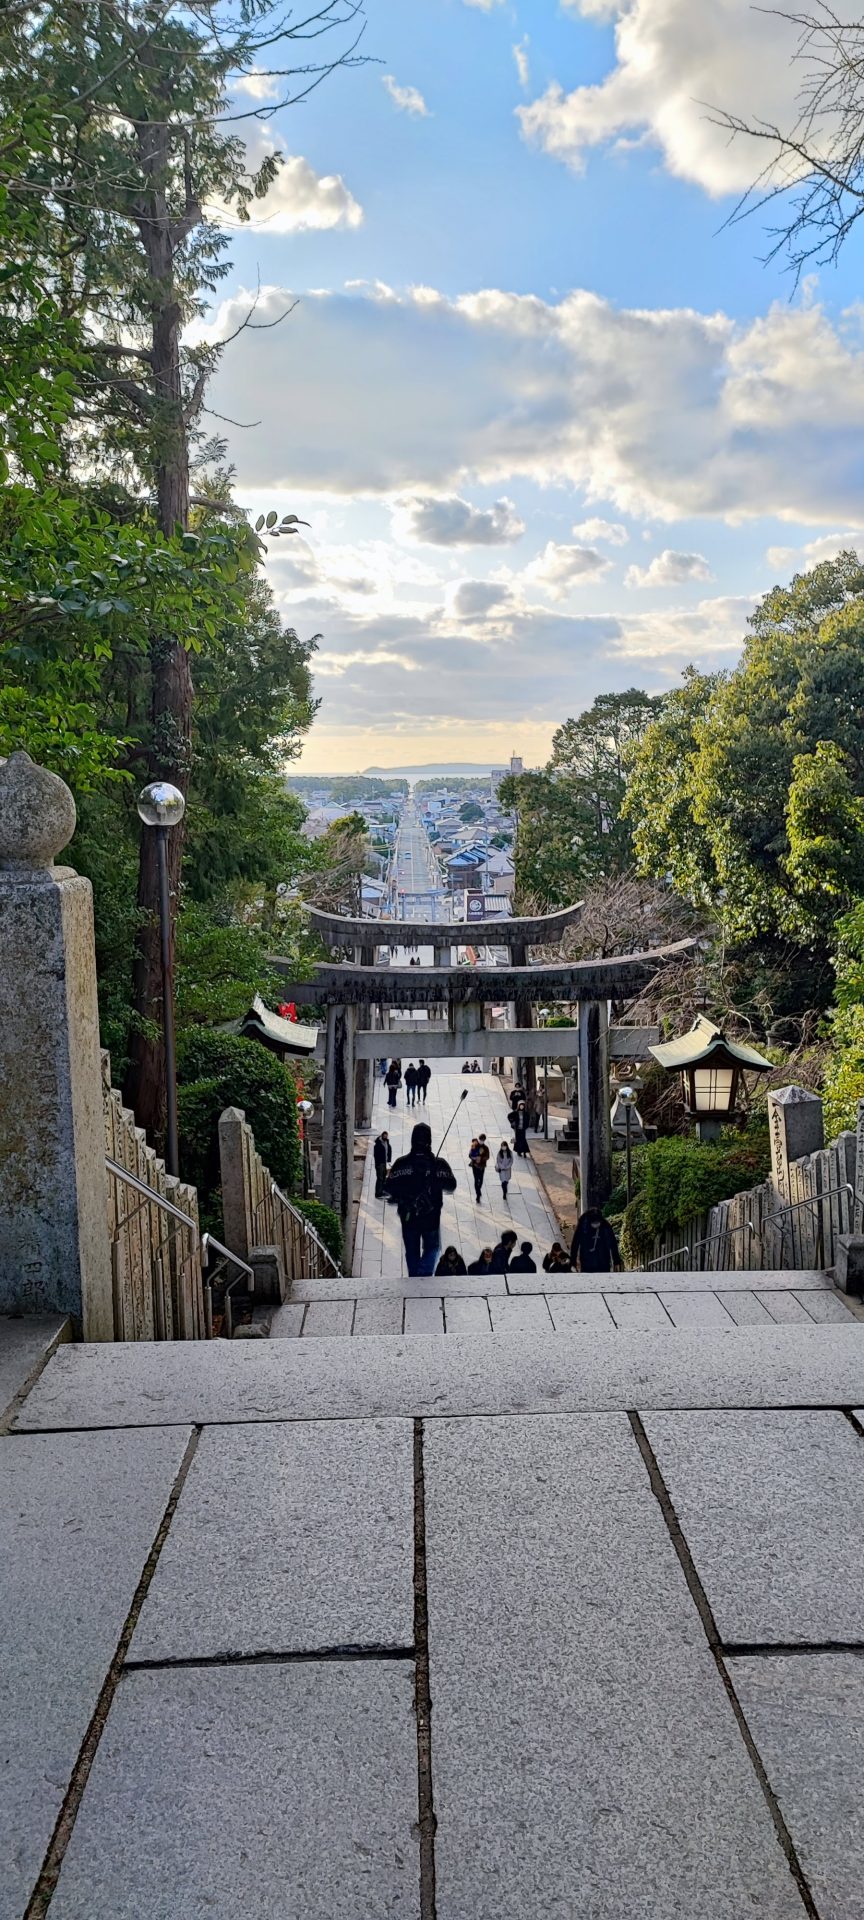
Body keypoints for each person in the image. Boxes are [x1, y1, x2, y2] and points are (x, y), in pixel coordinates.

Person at [386, 1122, 457, 1277]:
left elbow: (388, 1188)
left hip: (408, 1217)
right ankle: (423, 1274)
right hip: (431, 1218)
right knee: (433, 1248)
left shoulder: (401, 1164)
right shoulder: (439, 1165)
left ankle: (414, 1275)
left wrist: (401, 1195)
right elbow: (452, 1186)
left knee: (411, 1250)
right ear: (430, 1141)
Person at [571, 1206, 623, 1274]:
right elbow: (575, 1244)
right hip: (587, 1263)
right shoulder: (582, 1226)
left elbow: (613, 1244)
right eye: (594, 1222)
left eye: (597, 1222)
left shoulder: (605, 1225)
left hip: (603, 1262)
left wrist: (616, 1261)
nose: (596, 1224)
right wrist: (573, 1263)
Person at [469, 1134, 490, 1201]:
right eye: (480, 1139)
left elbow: (487, 1156)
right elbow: (470, 1154)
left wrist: (481, 1158)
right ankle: (478, 1194)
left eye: (482, 1140)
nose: (481, 1141)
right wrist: (474, 1158)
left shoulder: (486, 1148)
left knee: (480, 1180)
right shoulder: (474, 1145)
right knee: (476, 1179)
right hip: (475, 1165)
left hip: (481, 1166)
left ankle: (479, 1189)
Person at [373, 1130, 392, 1198]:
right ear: (382, 1135)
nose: (385, 1137)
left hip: (384, 1163)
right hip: (380, 1163)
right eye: (384, 1136)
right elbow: (376, 1155)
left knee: (384, 1177)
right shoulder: (378, 1145)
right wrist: (378, 1163)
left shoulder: (386, 1142)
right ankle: (378, 1193)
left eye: (386, 1136)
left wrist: (388, 1160)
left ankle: (382, 1191)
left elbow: (388, 1151)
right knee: (380, 1178)